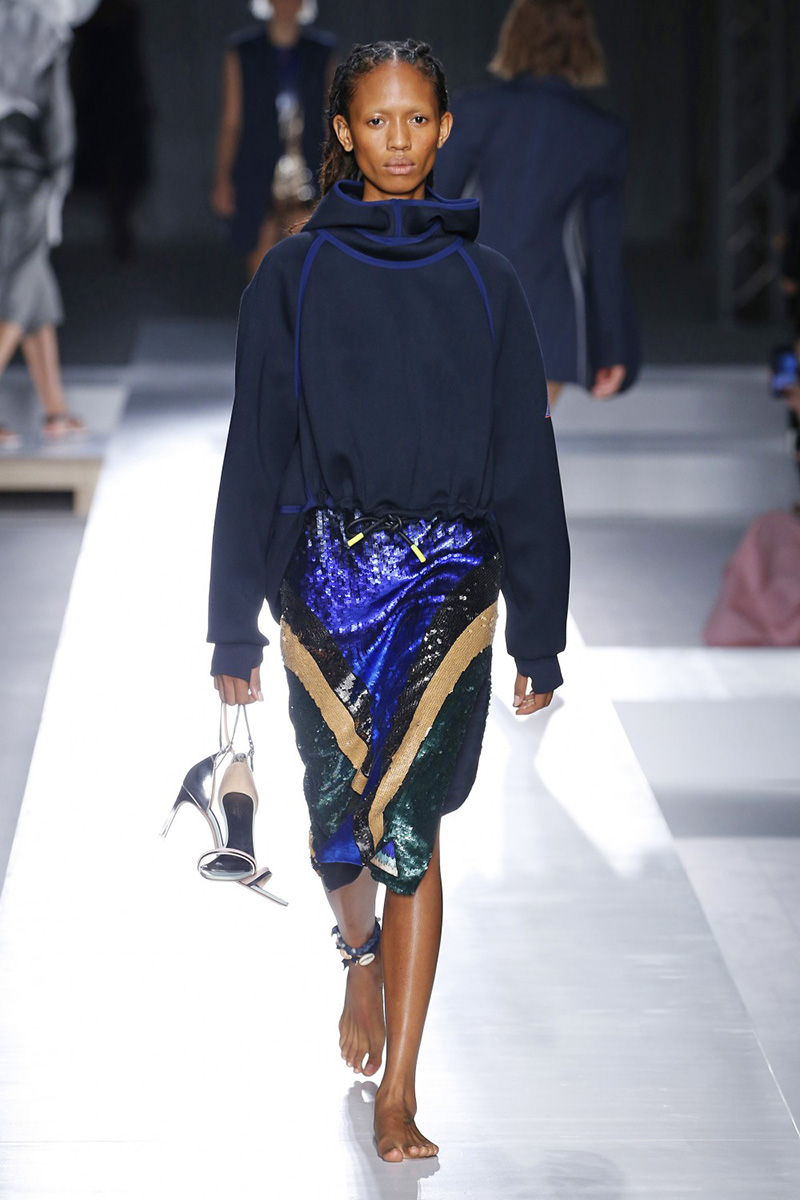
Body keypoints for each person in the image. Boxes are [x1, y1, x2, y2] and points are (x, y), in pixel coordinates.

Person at [207, 39, 570, 1161]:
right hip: (324, 582)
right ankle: (358, 956)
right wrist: (228, 623)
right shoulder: (291, 276)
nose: (399, 140)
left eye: (418, 120)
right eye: (377, 121)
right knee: (337, 827)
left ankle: (399, 1090)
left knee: (411, 825)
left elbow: (526, 460)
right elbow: (254, 450)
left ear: (445, 128)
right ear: (344, 133)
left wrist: (542, 633)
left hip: (452, 581)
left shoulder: (489, 283)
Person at [435, 0, 639, 410]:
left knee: (466, 439)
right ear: (583, 45)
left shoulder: (474, 111)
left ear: (516, 38)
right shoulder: (601, 133)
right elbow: (602, 250)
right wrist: (613, 344)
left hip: (469, 303)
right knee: (524, 442)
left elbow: (429, 212)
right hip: (550, 317)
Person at [0, 0, 96, 448]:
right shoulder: (47, 27)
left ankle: (55, 409)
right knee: (18, 292)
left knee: (35, 291)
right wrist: (59, 172)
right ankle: (55, 410)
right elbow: (58, 114)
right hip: (22, 170)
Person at [211, 0, 336, 280]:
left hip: (308, 165)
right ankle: (268, 308)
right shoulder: (243, 52)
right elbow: (231, 121)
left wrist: (337, 174)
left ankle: (297, 308)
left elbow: (330, 118)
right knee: (260, 258)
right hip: (257, 166)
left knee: (308, 256)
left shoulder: (321, 52)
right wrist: (223, 178)